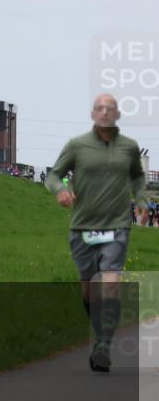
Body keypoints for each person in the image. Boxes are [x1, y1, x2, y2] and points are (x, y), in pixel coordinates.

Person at [45, 94, 149, 372]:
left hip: (116, 227)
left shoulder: (129, 147)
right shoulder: (77, 146)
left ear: (117, 115)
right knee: (90, 290)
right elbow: (54, 175)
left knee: (112, 281)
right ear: (93, 114)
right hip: (83, 228)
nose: (105, 112)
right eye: (100, 108)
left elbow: (138, 177)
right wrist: (61, 190)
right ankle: (99, 333)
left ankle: (103, 346)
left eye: (110, 108)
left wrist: (140, 201)